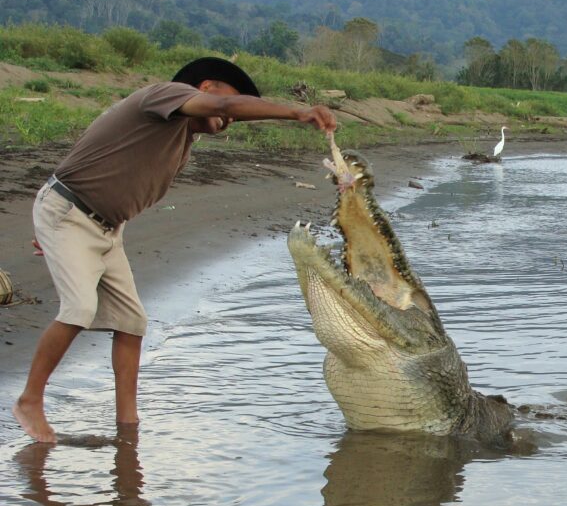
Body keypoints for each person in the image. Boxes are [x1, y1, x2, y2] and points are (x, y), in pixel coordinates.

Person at [12, 57, 338, 443]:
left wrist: (65, 238)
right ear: (205, 88)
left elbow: (128, 175)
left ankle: (127, 426)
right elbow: (223, 108)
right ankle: (30, 400)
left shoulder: (182, 137)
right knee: (80, 308)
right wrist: (298, 112)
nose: (231, 119)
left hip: (105, 229)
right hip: (69, 212)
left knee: (132, 323)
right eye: (233, 103)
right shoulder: (163, 96)